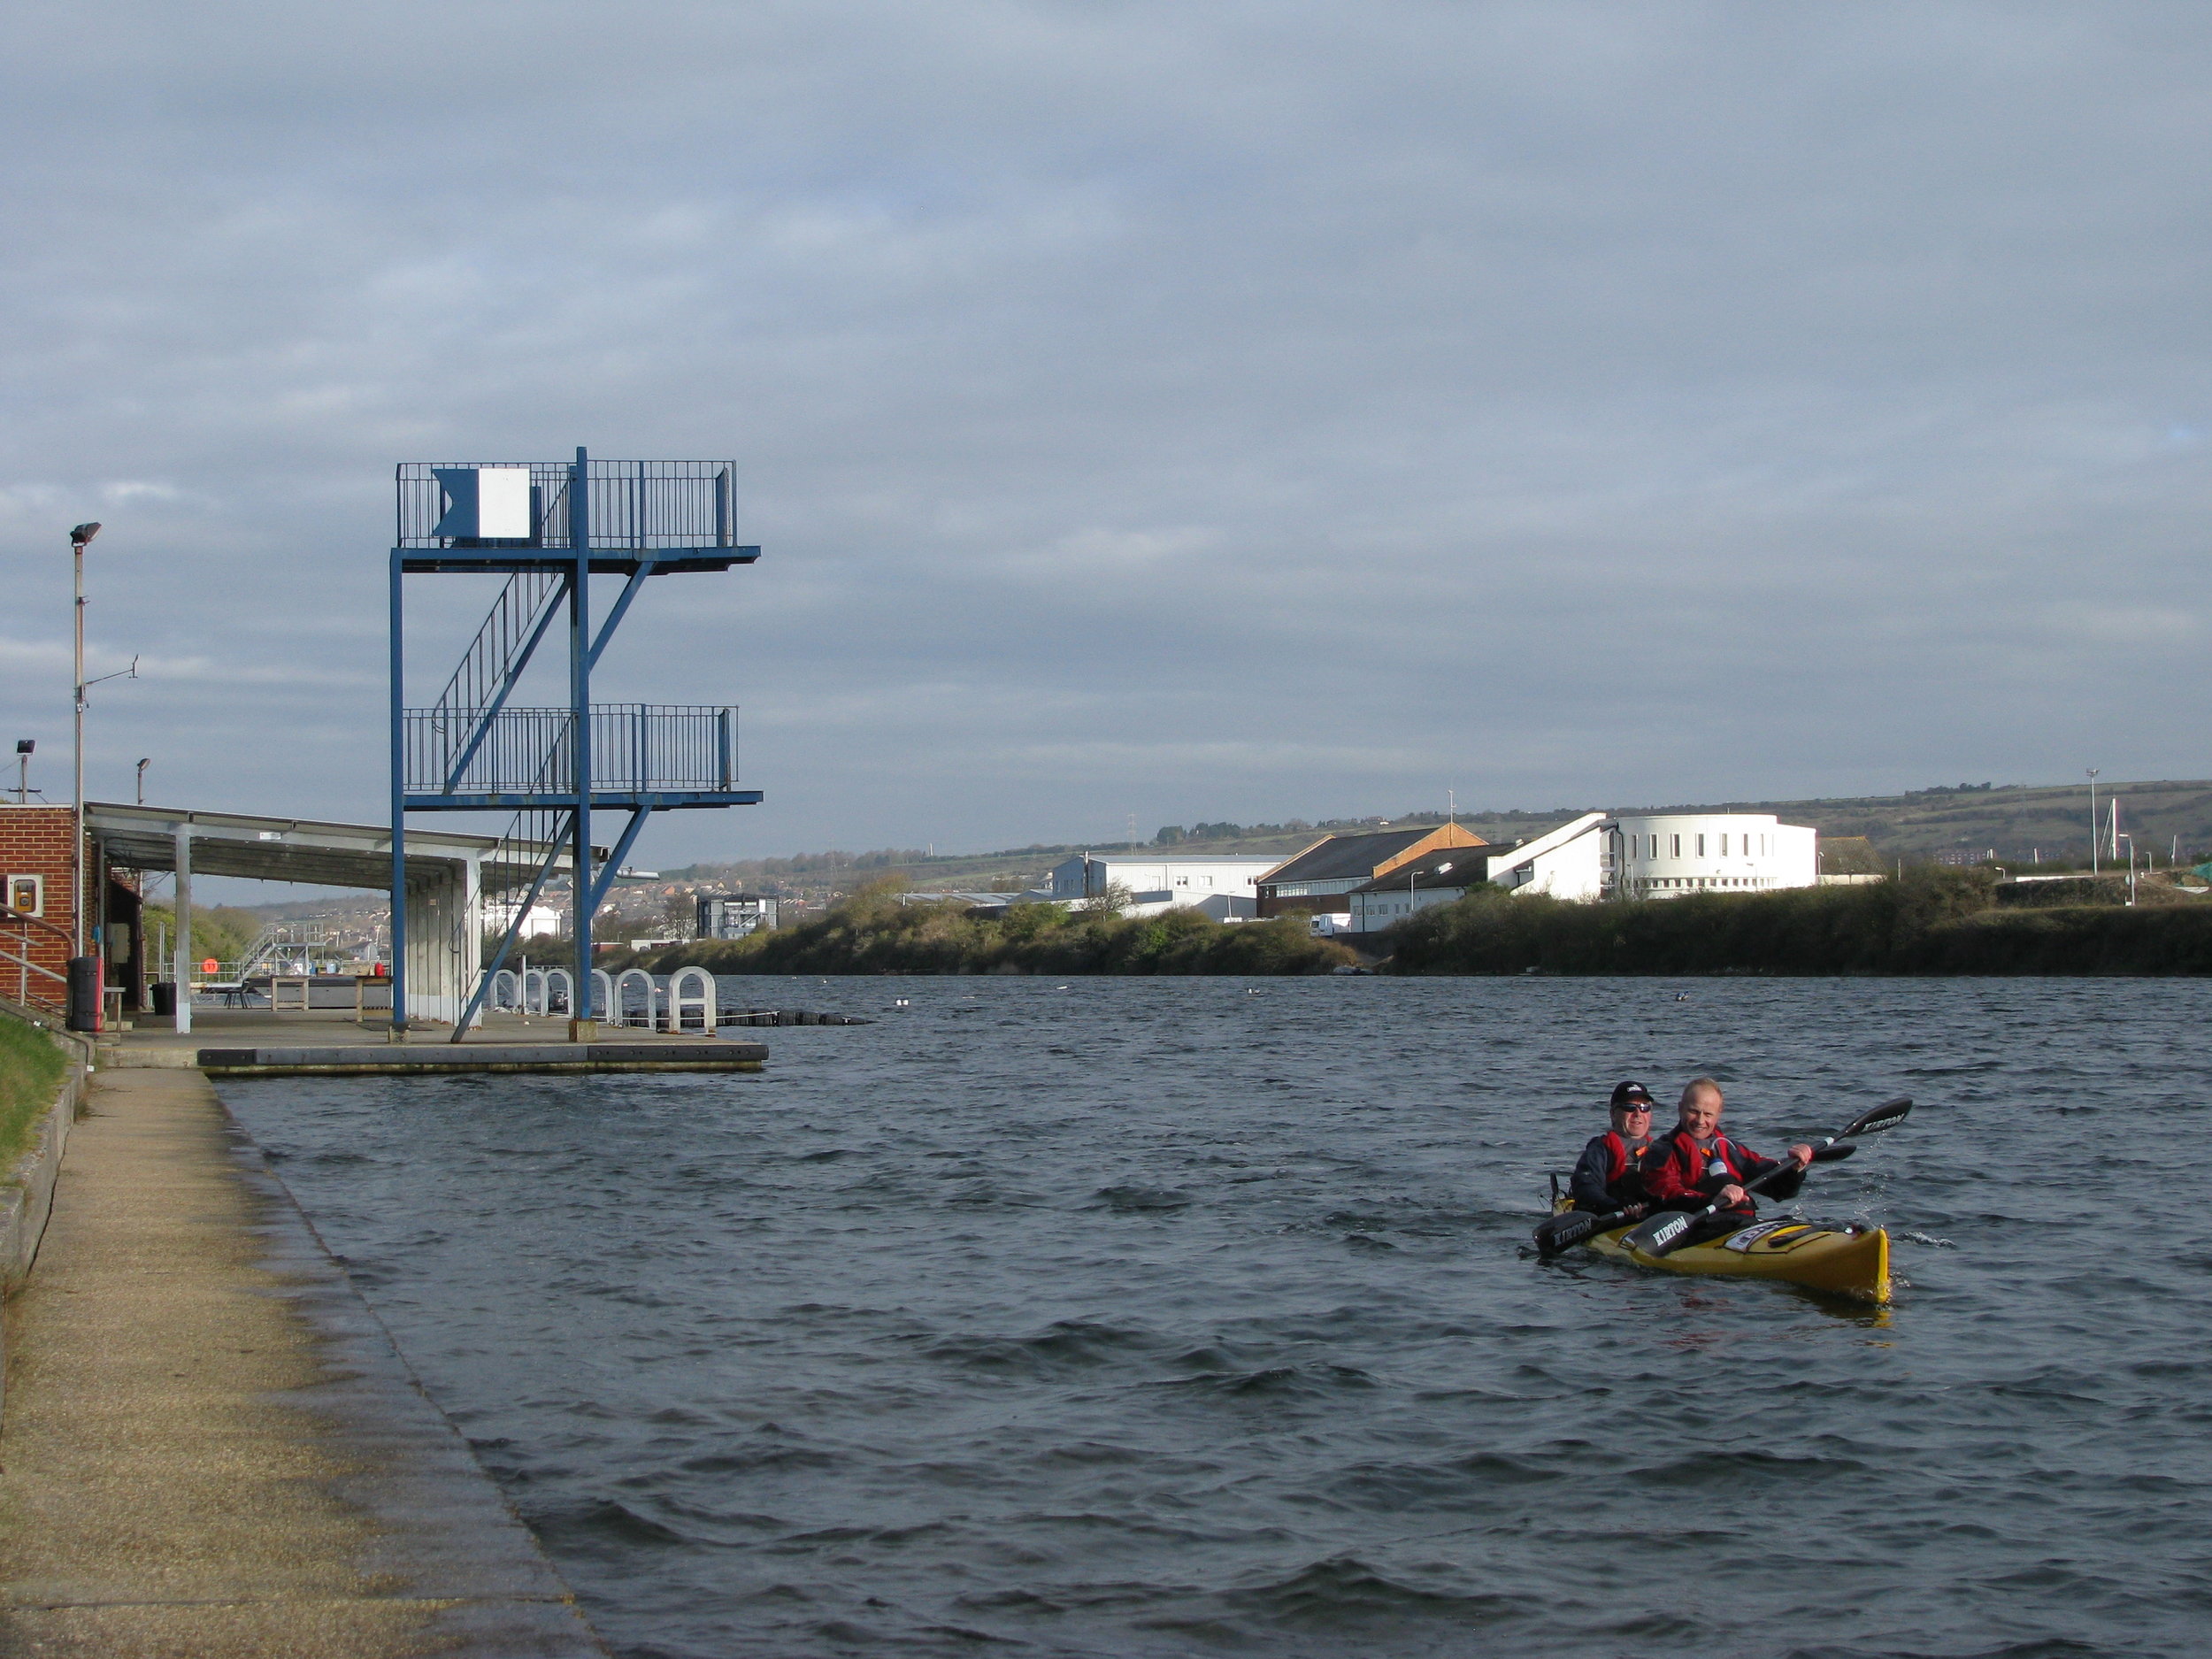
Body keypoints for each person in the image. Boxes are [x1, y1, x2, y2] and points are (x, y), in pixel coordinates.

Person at [1643, 1077, 1814, 1234]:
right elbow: (1665, 1194)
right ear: (1680, 1109)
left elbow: (1780, 1190)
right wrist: (1712, 1199)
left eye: (1708, 1114)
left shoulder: (1730, 1149)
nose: (1700, 1121)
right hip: (1694, 1229)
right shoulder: (1662, 1150)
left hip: (1740, 1225)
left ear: (1719, 1113)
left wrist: (1794, 1168)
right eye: (1694, 1111)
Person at [1568, 1081, 1662, 1217]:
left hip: (1651, 1221)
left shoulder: (1661, 1150)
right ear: (1613, 1114)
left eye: (1644, 1107)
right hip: (1611, 1219)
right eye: (1629, 1107)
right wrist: (1613, 1205)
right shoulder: (1600, 1149)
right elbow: (1586, 1185)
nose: (1638, 1113)